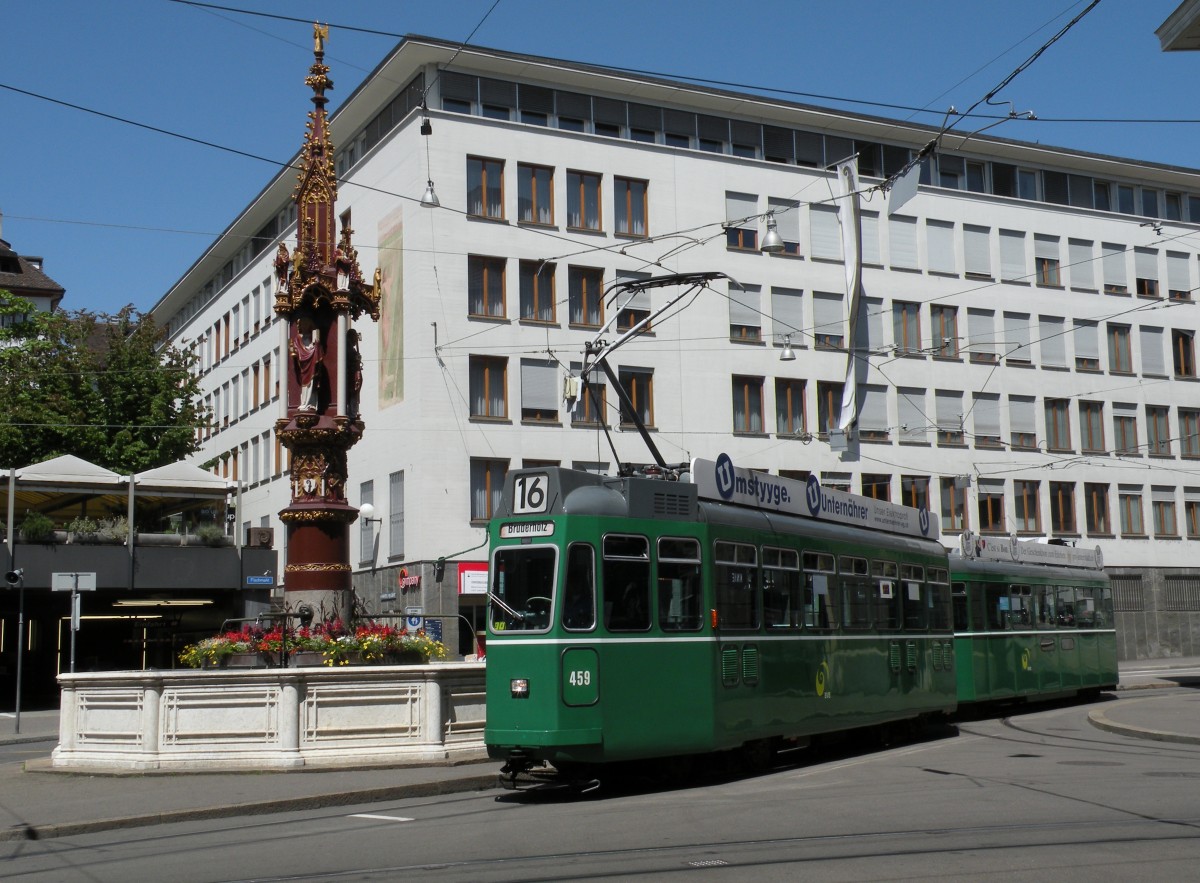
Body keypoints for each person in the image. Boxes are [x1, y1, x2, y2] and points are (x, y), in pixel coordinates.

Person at [290, 312, 322, 412]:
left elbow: (318, 350)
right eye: (303, 325)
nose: (304, 327)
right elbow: (295, 350)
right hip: (304, 364)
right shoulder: (297, 339)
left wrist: (315, 346)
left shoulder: (313, 337)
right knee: (305, 384)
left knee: (312, 383)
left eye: (306, 325)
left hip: (312, 362)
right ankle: (304, 403)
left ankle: (310, 403)